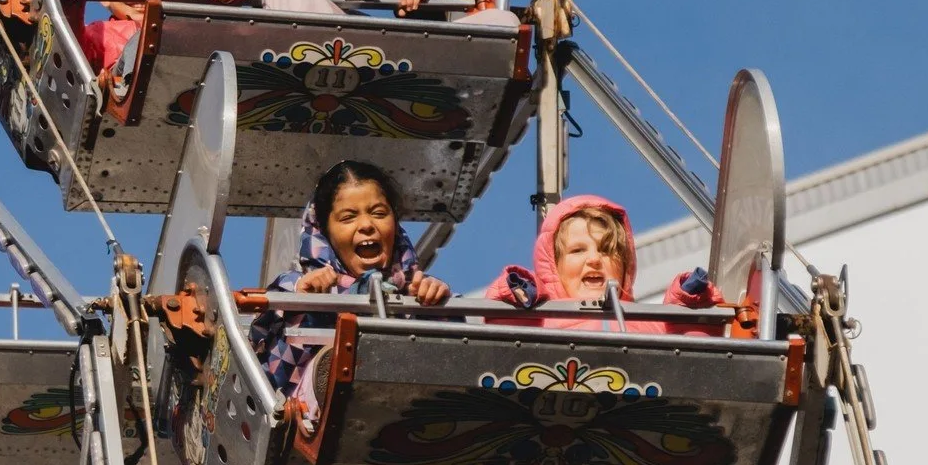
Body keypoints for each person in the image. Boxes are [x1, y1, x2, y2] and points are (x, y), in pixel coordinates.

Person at [250, 162, 451, 420]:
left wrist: (438, 306)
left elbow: (459, 360)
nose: (366, 225)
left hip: (408, 410)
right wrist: (304, 305)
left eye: (379, 213)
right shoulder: (296, 287)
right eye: (348, 217)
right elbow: (268, 377)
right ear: (325, 233)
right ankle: (331, 378)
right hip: (311, 417)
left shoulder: (417, 290)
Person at [484, 193, 725, 334]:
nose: (594, 260)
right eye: (577, 250)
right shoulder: (537, 319)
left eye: (607, 250)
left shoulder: (650, 322)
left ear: (625, 266)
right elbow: (503, 340)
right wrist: (516, 294)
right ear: (553, 266)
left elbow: (694, 349)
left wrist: (689, 304)